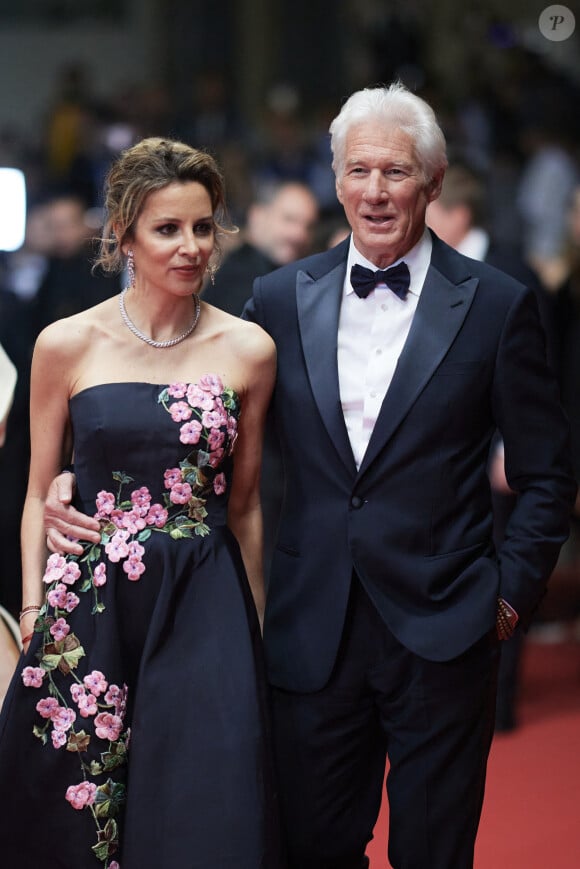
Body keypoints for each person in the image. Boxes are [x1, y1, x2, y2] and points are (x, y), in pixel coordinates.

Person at [43, 85, 575, 869]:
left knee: (436, 852)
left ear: (431, 181)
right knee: (309, 848)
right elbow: (207, 430)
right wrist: (80, 478)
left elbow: (548, 473)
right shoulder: (281, 299)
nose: (375, 191)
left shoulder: (497, 304)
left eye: (395, 171)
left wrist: (506, 599)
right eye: (358, 170)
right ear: (335, 179)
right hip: (308, 627)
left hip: (446, 625)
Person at [0, 137, 281, 868]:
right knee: (83, 812)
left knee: (206, 800)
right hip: (91, 611)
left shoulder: (248, 348)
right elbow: (37, 491)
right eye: (167, 229)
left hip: (205, 600)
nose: (190, 247)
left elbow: (245, 505)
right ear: (122, 233)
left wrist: (254, 630)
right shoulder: (66, 344)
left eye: (202, 227)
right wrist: (34, 612)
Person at [426, 162, 558, 731]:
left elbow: (539, 372)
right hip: (446, 454)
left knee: (500, 562)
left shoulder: (511, 272)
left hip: (502, 455)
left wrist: (509, 446)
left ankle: (496, 702)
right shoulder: (428, 271)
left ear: (457, 214)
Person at [202, 179, 319, 316]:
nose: (299, 234)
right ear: (257, 216)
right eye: (289, 219)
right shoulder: (238, 276)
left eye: (309, 227)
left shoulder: (293, 278)